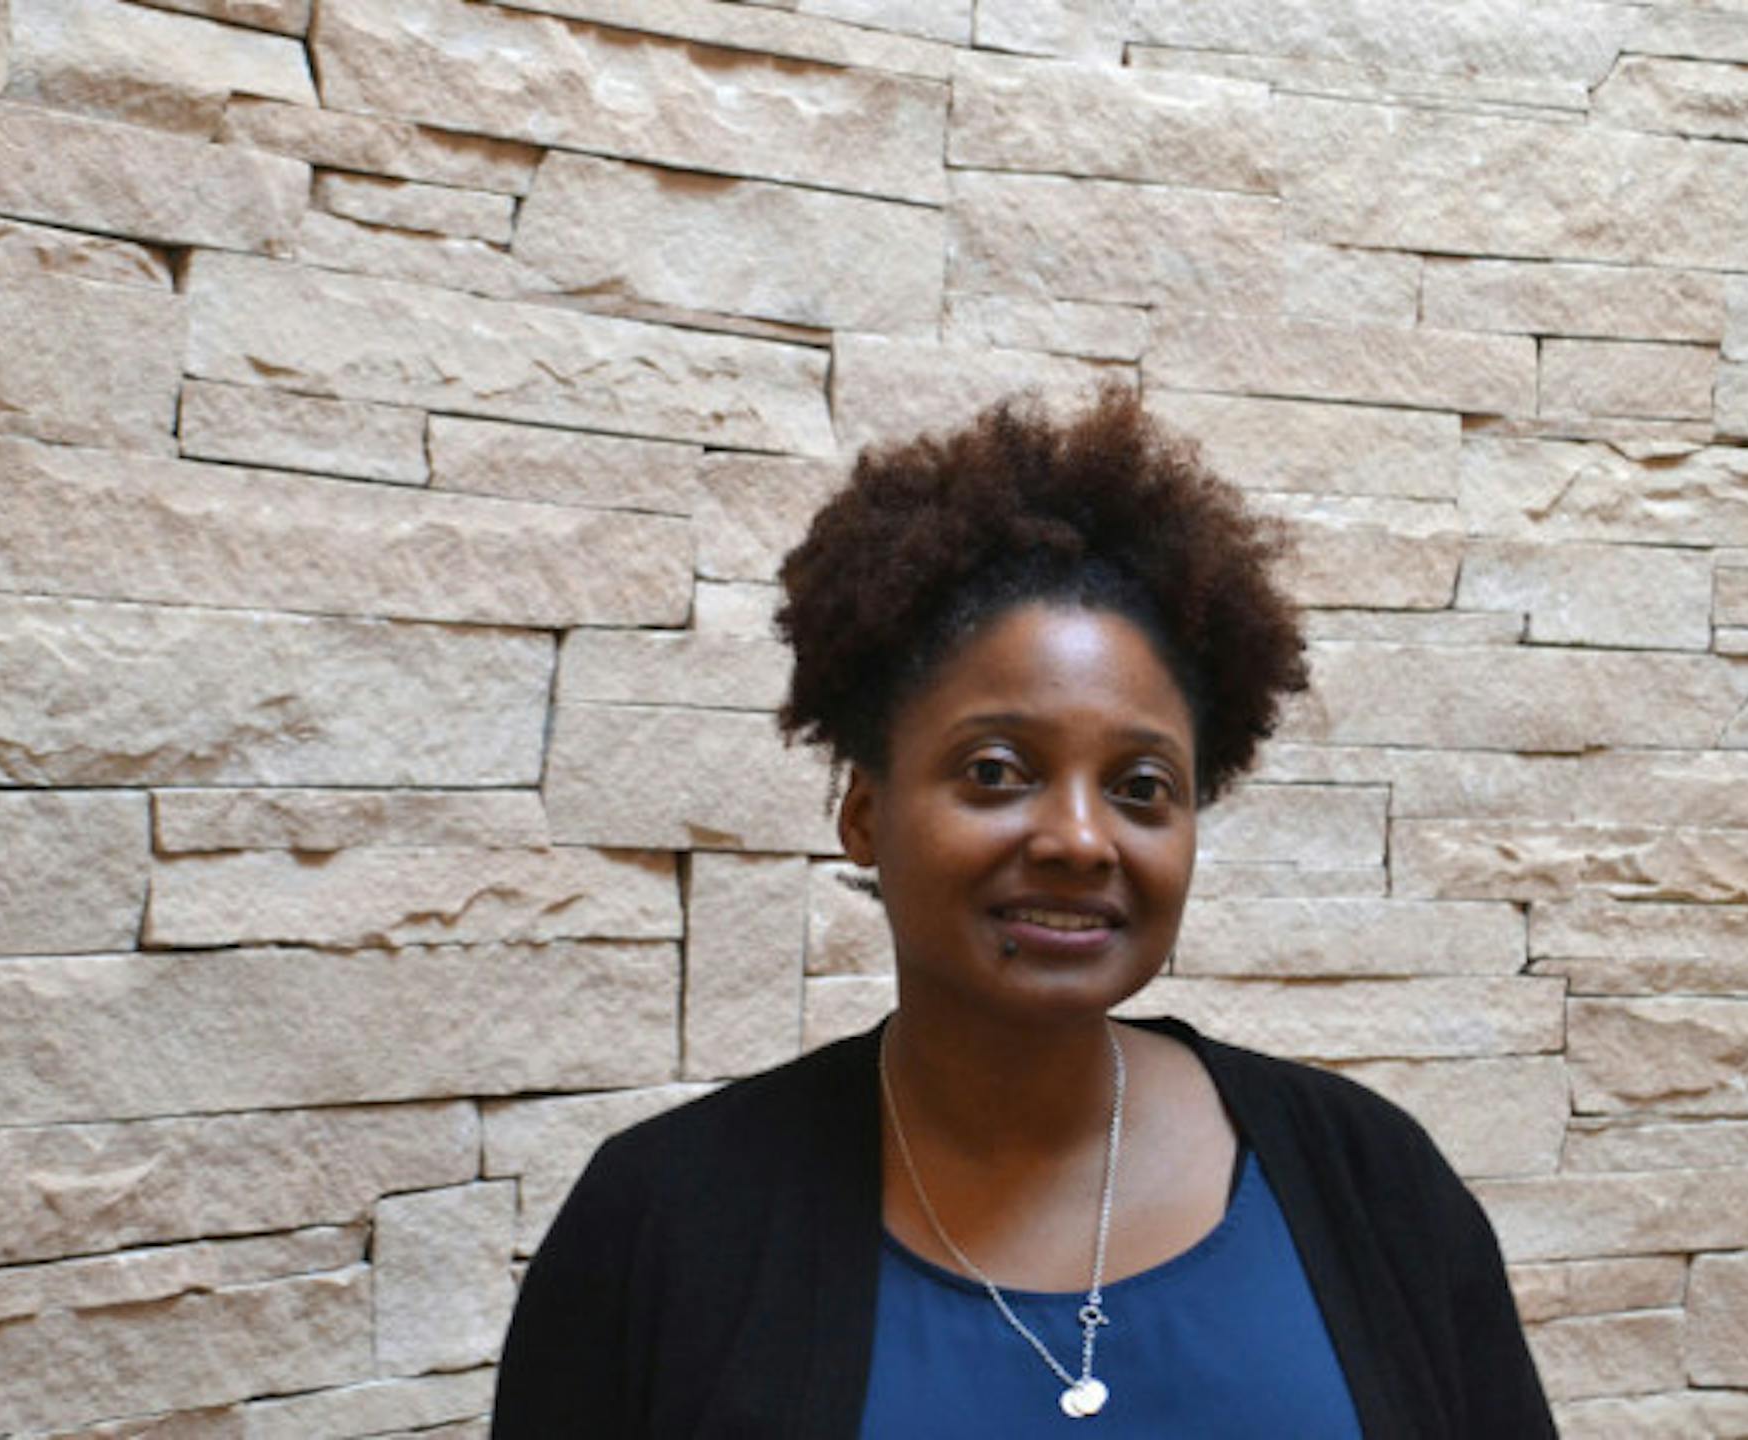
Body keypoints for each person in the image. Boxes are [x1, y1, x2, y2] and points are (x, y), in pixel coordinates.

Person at [491, 390, 1554, 1438]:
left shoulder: (1372, 1184)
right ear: (864, 815)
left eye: (1142, 787)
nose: (1082, 839)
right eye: (997, 770)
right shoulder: (662, 1225)